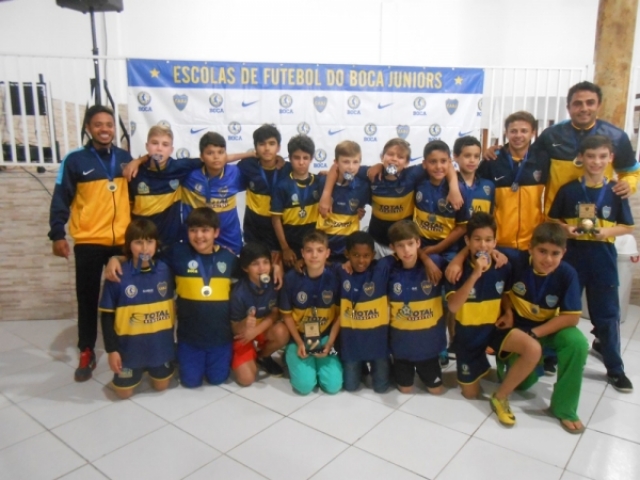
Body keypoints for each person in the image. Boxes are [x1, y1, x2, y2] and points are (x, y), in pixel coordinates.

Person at [48, 105, 132, 382]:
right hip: (89, 240)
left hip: (122, 241)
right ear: (88, 128)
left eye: (109, 124)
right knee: (87, 298)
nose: (105, 129)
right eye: (98, 124)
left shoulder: (124, 158)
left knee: (124, 296)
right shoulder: (75, 160)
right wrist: (57, 234)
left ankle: (123, 346)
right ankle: (87, 349)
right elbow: (61, 197)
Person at [549, 135, 634, 392]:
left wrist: (606, 232)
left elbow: (627, 226)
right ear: (581, 158)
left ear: (610, 158)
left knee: (608, 315)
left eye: (602, 156)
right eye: (591, 156)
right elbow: (552, 221)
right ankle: (549, 357)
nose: (596, 162)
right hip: (572, 258)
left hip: (603, 259)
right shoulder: (568, 190)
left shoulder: (616, 191)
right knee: (562, 309)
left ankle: (615, 368)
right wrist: (566, 229)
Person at [445, 212, 541, 427]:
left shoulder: (502, 265)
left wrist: (508, 312)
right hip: (468, 338)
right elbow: (453, 306)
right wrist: (475, 274)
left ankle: (500, 396)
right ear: (467, 241)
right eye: (477, 239)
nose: (483, 245)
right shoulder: (456, 269)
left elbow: (505, 293)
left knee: (533, 349)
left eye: (488, 240)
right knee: (470, 394)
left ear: (495, 242)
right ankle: (479, 364)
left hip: (493, 330)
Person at [485, 81, 639, 213]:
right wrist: (497, 152)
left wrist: (629, 184)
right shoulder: (551, 134)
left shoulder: (617, 137)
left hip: (598, 214)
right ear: (568, 107)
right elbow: (525, 156)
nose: (584, 108)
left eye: (590, 103)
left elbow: (631, 172)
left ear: (599, 105)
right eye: (577, 104)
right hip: (557, 217)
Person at [503, 223, 588, 434]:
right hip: (518, 331)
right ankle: (535, 364)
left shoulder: (567, 273)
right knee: (521, 385)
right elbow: (484, 245)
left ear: (564, 253)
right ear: (530, 248)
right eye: (542, 251)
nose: (548, 259)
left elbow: (571, 318)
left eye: (555, 253)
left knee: (577, 343)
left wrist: (535, 334)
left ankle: (565, 409)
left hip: (546, 330)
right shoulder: (516, 259)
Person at [320, 138, 463, 259]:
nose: (394, 159)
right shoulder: (371, 173)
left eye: (400, 157)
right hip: (376, 242)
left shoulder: (411, 175)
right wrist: (326, 195)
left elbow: (446, 164)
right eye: (390, 154)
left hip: (402, 245)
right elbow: (336, 168)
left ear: (407, 163)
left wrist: (454, 189)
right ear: (382, 157)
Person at [99, 219, 175, 399]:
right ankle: (135, 366)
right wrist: (112, 350)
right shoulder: (117, 275)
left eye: (149, 242)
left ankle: (160, 362)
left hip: (159, 347)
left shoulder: (166, 269)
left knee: (162, 387)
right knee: (123, 394)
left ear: (156, 244)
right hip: (129, 350)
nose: (145, 249)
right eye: (138, 242)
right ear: (128, 245)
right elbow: (106, 316)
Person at [387, 220, 447, 394]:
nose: (406, 250)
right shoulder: (389, 269)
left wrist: (426, 259)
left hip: (428, 348)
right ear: (392, 247)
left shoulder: (435, 264)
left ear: (418, 243)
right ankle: (393, 368)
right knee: (405, 390)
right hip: (401, 348)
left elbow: (460, 263)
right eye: (400, 246)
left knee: (436, 391)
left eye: (410, 244)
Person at [279, 230, 342, 395]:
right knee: (304, 387)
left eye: (320, 250)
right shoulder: (291, 278)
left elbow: (339, 315)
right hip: (299, 337)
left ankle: (318, 362)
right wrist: (299, 342)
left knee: (333, 386)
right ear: (302, 253)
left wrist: (330, 343)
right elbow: (286, 315)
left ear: (327, 253)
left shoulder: (335, 278)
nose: (314, 255)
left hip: (325, 336)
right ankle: (291, 354)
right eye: (309, 250)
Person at [477, 111, 547, 252]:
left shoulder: (542, 160)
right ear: (506, 133)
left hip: (532, 243)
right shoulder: (492, 161)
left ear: (533, 133)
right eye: (513, 131)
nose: (518, 135)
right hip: (498, 244)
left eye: (524, 131)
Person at [128, 125, 202, 248]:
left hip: (170, 243)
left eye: (165, 145)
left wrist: (239, 156)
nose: (159, 148)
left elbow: (212, 159)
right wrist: (138, 161)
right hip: (142, 243)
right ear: (147, 146)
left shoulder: (178, 167)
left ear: (171, 150)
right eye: (154, 143)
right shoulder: (135, 172)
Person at [338, 231, 393, 393]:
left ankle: (391, 366)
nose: (361, 260)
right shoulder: (341, 272)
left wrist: (426, 259)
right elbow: (319, 264)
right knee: (351, 387)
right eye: (356, 255)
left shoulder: (381, 268)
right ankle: (361, 365)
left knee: (382, 388)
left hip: (378, 345)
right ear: (347, 254)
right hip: (352, 345)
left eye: (366, 255)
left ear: (373, 255)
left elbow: (406, 253)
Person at [230, 242, 290, 385]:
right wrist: (245, 325)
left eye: (265, 262)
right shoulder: (238, 293)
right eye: (255, 264)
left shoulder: (275, 282)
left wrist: (256, 330)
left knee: (282, 332)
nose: (262, 268)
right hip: (244, 334)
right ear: (245, 268)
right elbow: (234, 329)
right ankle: (241, 355)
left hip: (262, 328)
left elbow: (275, 313)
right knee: (246, 380)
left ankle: (262, 356)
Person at [181, 132, 245, 255]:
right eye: (210, 153)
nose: (216, 157)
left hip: (228, 237)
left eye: (220, 152)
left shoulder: (235, 173)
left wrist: (251, 154)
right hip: (198, 237)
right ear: (201, 157)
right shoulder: (188, 175)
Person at [237, 124, 291, 260]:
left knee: (277, 270)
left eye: (271, 144)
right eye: (262, 144)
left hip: (280, 233)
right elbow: (221, 161)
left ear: (278, 147)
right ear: (255, 147)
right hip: (253, 232)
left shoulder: (288, 169)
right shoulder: (247, 165)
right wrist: (249, 154)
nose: (267, 148)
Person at [271, 135, 322, 268]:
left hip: (314, 245)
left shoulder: (320, 182)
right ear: (290, 158)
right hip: (291, 246)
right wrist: (285, 248)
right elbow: (276, 219)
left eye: (305, 158)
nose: (301, 162)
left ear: (311, 158)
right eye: (296, 158)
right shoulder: (282, 186)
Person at [415, 140, 470, 262]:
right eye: (433, 162)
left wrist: (437, 248)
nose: (438, 166)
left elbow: (462, 227)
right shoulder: (418, 182)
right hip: (420, 246)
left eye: (443, 161)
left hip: (448, 250)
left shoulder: (459, 190)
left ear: (450, 162)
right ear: (424, 164)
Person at [316, 140, 371, 263]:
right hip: (323, 250)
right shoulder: (322, 182)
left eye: (355, 162)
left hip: (348, 252)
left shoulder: (363, 187)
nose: (351, 167)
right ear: (336, 162)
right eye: (346, 162)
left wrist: (360, 212)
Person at [453, 136, 494, 215]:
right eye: (467, 156)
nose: (472, 160)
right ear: (456, 157)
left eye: (476, 156)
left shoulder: (489, 185)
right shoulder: (450, 185)